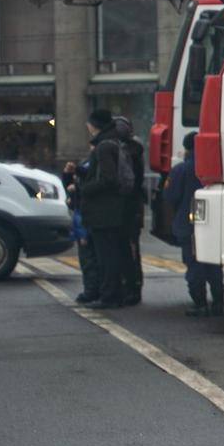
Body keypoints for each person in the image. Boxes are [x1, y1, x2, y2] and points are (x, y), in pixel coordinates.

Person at [77, 108, 134, 308]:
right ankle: (113, 293)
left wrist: (85, 189)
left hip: (104, 212)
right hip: (111, 210)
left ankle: (110, 296)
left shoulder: (103, 146)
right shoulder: (113, 141)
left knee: (106, 255)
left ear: (95, 124)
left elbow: (107, 179)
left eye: (89, 123)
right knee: (111, 253)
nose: (87, 126)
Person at [163, 132, 224, 317]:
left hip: (188, 223)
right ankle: (218, 303)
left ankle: (199, 303)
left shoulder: (181, 169)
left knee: (194, 264)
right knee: (214, 264)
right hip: (214, 222)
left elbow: (170, 196)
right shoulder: (218, 167)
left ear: (187, 148)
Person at [113, 115, 145, 305]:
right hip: (133, 207)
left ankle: (131, 288)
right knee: (131, 249)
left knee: (128, 250)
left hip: (129, 208)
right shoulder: (134, 149)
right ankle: (133, 287)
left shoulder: (128, 151)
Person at [63, 153, 101, 304]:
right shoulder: (89, 161)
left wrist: (75, 189)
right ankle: (92, 290)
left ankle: (91, 291)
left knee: (88, 257)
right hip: (83, 215)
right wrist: (67, 176)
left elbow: (81, 190)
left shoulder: (93, 164)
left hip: (85, 217)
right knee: (88, 257)